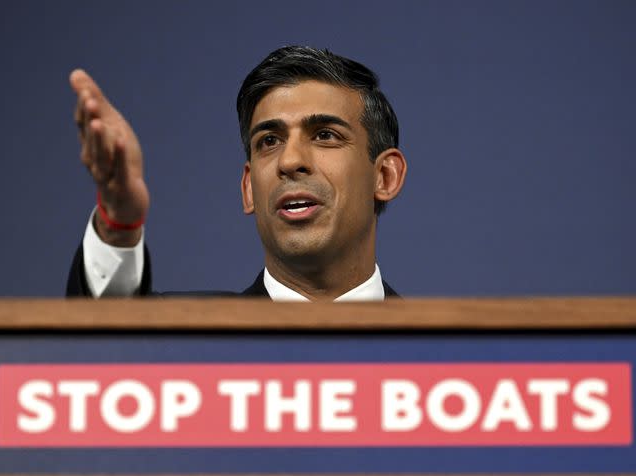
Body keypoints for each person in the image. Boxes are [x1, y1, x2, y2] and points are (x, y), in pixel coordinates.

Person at [66, 46, 407, 301]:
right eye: (269, 141)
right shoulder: (184, 341)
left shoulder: (450, 356)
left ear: (385, 177)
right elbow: (103, 349)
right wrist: (118, 224)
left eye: (324, 135)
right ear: (248, 189)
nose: (289, 161)